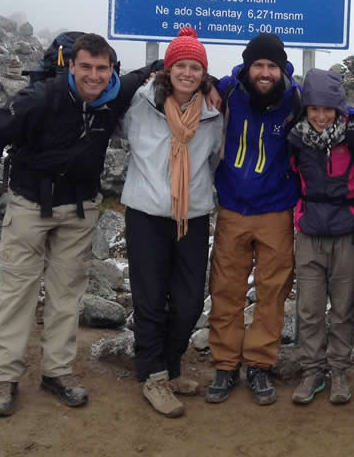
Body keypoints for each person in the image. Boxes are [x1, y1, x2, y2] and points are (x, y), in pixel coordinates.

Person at [0, 34, 153, 417]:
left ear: (111, 70)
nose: (93, 76)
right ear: (70, 65)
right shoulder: (41, 98)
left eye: (102, 68)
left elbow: (147, 71)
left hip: (80, 207)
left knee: (66, 294)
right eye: (85, 66)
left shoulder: (116, 92)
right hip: (29, 202)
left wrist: (199, 78)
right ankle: (5, 377)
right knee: (16, 290)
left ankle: (57, 372)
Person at [120, 27, 223, 418]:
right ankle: (154, 376)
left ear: (203, 73)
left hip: (192, 217)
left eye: (195, 67)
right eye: (180, 64)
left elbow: (216, 160)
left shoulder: (212, 115)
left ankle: (172, 366)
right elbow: (115, 128)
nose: (187, 73)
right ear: (168, 68)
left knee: (188, 301)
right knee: (149, 299)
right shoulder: (140, 103)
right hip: (146, 214)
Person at [205, 33, 300, 406]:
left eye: (271, 66)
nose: (264, 73)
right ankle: (226, 364)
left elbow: (333, 107)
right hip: (231, 207)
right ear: (247, 66)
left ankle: (259, 364)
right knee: (225, 288)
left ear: (281, 68)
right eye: (258, 65)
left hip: (276, 209)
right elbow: (187, 81)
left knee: (271, 292)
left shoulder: (296, 96)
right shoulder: (228, 90)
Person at [286, 68, 354, 405]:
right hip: (308, 231)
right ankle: (312, 370)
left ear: (340, 108)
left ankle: (338, 370)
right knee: (308, 307)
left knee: (344, 308)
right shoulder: (297, 139)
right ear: (305, 108)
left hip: (348, 232)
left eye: (328, 109)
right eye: (314, 108)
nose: (321, 116)